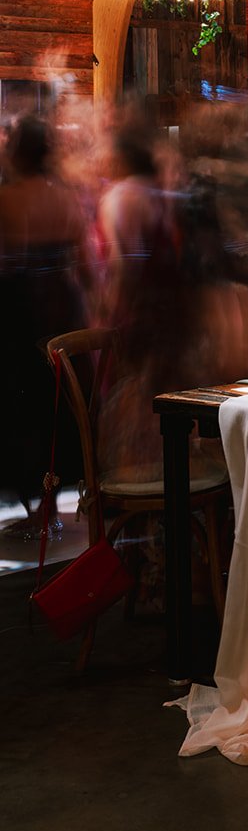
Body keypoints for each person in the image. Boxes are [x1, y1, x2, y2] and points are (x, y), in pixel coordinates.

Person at [0, 116, 89, 525]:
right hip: (63, 307)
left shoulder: (8, 199)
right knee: (56, 408)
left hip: (20, 309)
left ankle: (33, 501)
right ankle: (50, 498)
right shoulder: (65, 197)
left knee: (23, 407)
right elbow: (84, 259)